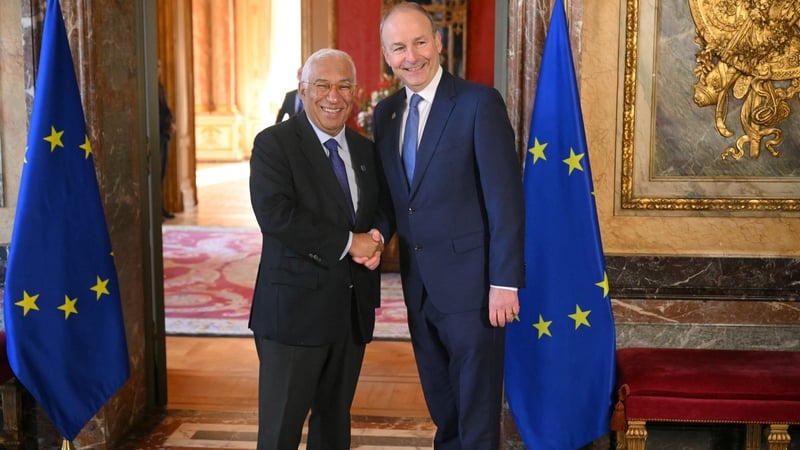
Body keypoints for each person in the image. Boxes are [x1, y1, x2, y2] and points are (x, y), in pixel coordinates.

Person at [371, 3, 525, 448]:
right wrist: (378, 234)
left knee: (476, 419)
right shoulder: (386, 115)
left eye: (420, 42)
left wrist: (505, 282)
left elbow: (506, 200)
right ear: (387, 56)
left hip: (475, 291)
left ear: (438, 42)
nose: (411, 56)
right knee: (445, 409)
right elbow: (393, 196)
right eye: (398, 47)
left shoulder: (478, 103)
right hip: (419, 289)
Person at [248, 48, 385, 450]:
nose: (334, 96)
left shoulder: (364, 151)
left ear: (354, 91)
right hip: (293, 316)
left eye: (344, 86)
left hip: (350, 314)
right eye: (322, 85)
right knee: (280, 433)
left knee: (333, 428)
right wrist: (350, 243)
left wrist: (376, 237)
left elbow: (381, 209)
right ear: (302, 88)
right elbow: (276, 216)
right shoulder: (274, 144)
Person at [158, 61, 176, 219]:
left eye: (159, 66)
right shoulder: (150, 87)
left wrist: (171, 121)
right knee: (156, 174)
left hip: (163, 136)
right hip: (156, 136)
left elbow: (166, 109)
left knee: (162, 174)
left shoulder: (160, 87)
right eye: (156, 66)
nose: (158, 69)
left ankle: (161, 208)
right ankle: (156, 210)